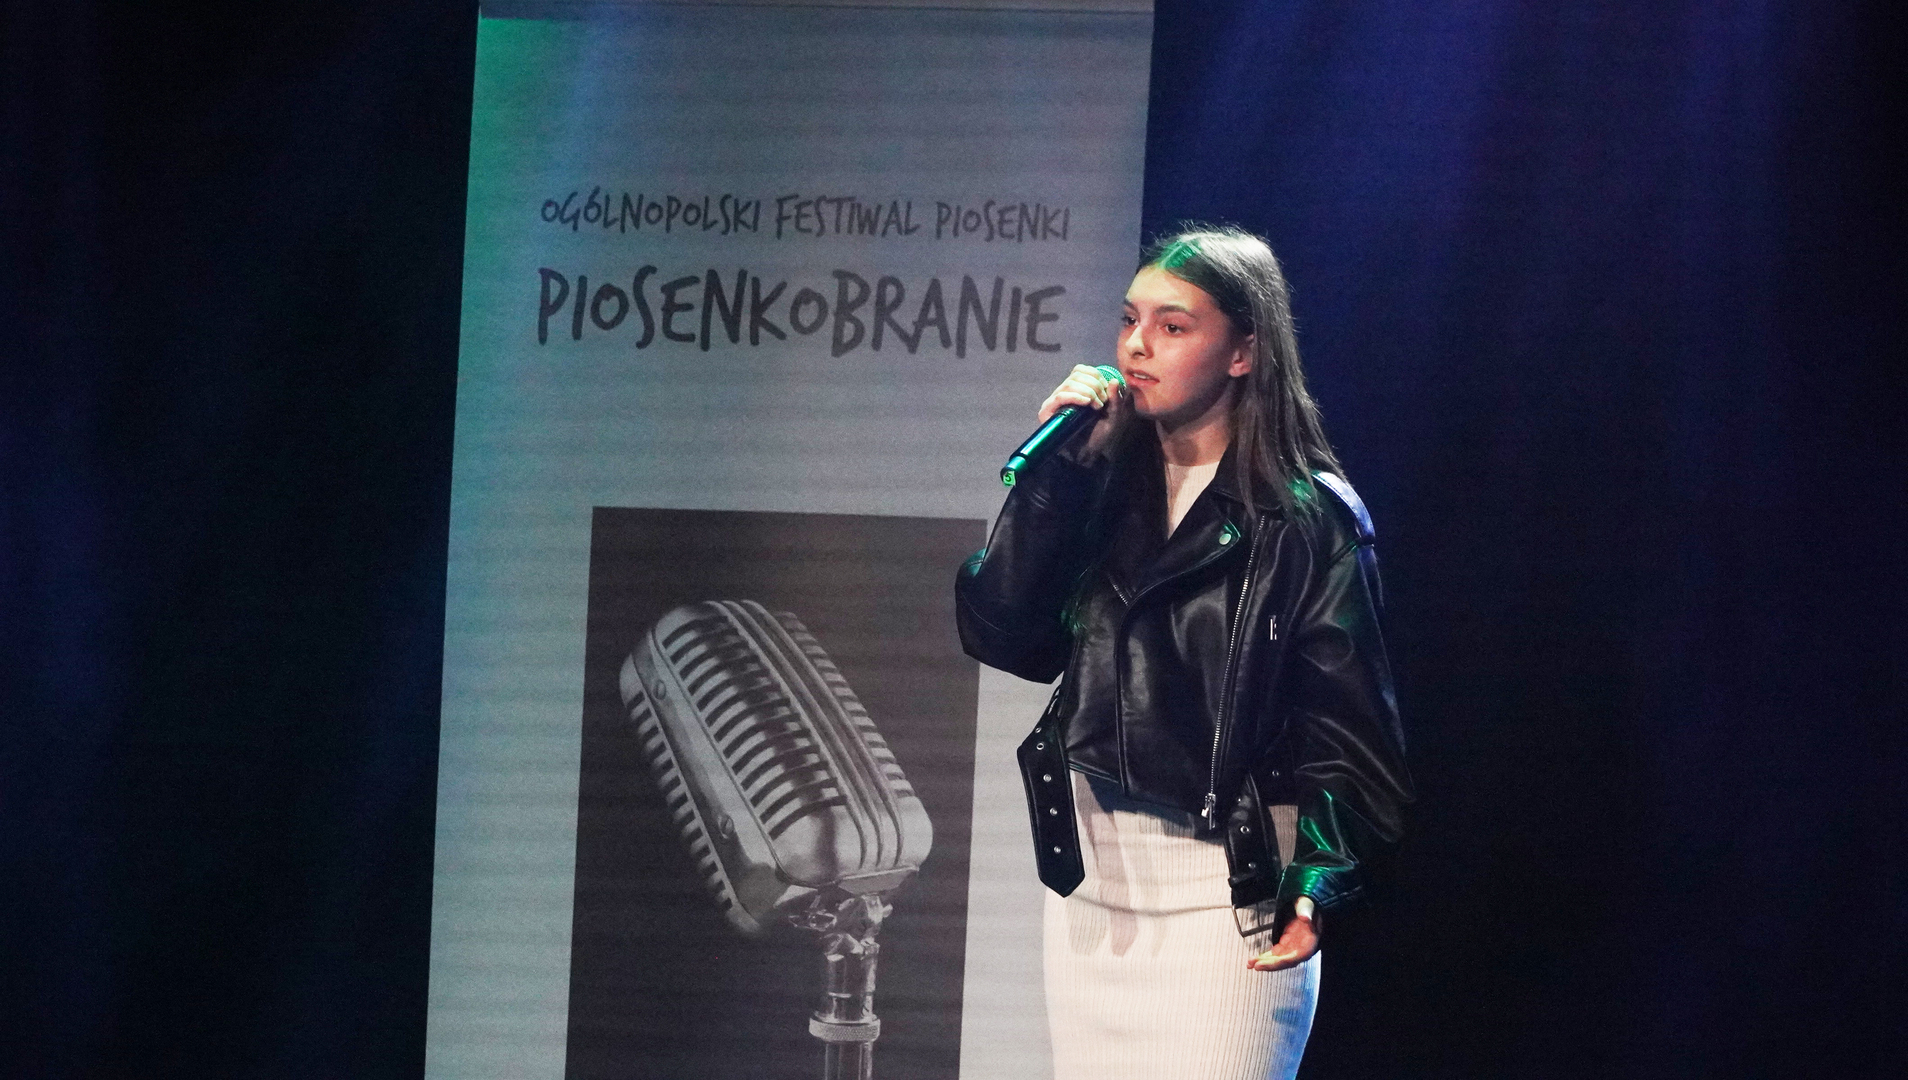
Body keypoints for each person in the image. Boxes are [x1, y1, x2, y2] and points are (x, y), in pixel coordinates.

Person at [955, 226, 1413, 1080]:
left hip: (1230, 901)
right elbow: (1002, 635)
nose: (1136, 345)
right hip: (1091, 894)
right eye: (1129, 320)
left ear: (1243, 352)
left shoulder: (1305, 520)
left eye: (1172, 326)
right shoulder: (1098, 482)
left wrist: (1319, 881)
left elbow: (1353, 733)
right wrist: (1058, 480)